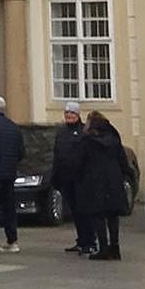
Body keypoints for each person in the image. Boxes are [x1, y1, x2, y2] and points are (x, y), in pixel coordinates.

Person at [77, 111, 127, 261]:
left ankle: (103, 248)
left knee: (98, 215)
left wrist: (79, 178)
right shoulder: (114, 138)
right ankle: (115, 247)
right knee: (113, 215)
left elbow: (81, 162)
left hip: (95, 181)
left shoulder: (88, 141)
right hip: (114, 180)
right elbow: (122, 160)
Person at [0, 94, 25, 254]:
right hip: (9, 172)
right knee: (8, 208)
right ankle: (12, 240)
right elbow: (21, 152)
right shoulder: (13, 127)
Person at [52, 104, 89, 253]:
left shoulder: (84, 131)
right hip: (66, 178)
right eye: (67, 112)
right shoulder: (61, 132)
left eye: (72, 113)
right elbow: (57, 154)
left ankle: (88, 241)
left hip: (81, 179)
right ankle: (81, 240)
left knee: (83, 211)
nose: (69, 115)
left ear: (78, 115)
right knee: (74, 211)